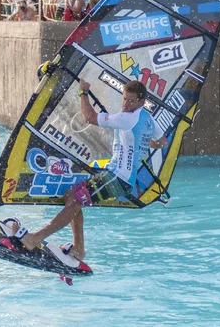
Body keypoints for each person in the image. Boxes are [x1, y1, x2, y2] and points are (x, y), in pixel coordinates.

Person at [10, 80, 168, 261]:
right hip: (114, 174)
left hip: (118, 178)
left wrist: (83, 93)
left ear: (142, 101)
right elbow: (163, 142)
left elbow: (89, 118)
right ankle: (78, 249)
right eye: (124, 99)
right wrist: (142, 143)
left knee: (77, 201)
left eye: (131, 101)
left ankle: (34, 238)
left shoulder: (127, 119)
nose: (125, 105)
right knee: (71, 195)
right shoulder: (148, 119)